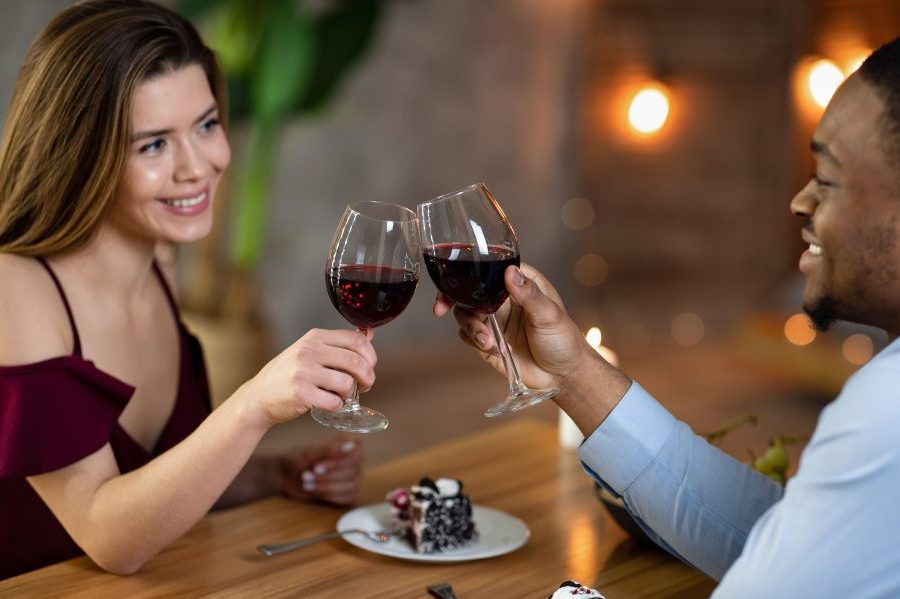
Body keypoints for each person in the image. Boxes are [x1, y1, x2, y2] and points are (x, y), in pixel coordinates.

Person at [437, 38, 900, 597]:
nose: (800, 201)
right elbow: (772, 540)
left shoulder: (886, 413)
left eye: (826, 178)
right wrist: (571, 372)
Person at [0, 0, 374, 579]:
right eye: (153, 144)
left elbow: (148, 478)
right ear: (82, 154)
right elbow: (108, 536)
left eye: (205, 125)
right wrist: (254, 404)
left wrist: (276, 475)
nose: (197, 167)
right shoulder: (17, 290)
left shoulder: (158, 258)